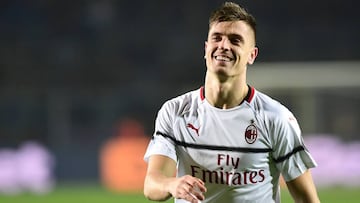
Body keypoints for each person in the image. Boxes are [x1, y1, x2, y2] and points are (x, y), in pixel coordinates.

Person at [143, 2, 320, 203]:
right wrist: (171, 184)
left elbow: (308, 199)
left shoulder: (276, 118)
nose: (224, 46)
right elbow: (151, 185)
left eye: (235, 40)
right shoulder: (175, 112)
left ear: (251, 55)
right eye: (216, 38)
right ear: (206, 48)